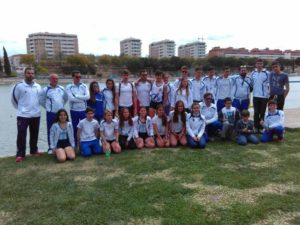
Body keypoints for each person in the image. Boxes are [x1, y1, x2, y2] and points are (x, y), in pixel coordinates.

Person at [11, 67, 43, 162]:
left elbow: (40, 99)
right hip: (23, 115)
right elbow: (14, 99)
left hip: (36, 114)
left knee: (34, 134)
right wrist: (22, 109)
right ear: (24, 74)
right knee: (21, 135)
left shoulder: (38, 86)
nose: (30, 75)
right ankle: (20, 154)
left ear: (34, 75)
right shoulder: (19, 86)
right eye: (28, 73)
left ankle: (33, 151)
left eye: (32, 73)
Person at [40, 73, 68, 154]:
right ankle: (51, 148)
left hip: (61, 114)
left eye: (56, 78)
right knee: (51, 131)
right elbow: (41, 100)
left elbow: (65, 98)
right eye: (53, 78)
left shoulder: (62, 88)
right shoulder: (45, 89)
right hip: (51, 114)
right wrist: (48, 108)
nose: (55, 80)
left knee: (62, 130)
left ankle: (61, 146)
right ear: (50, 79)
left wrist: (61, 106)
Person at [66, 70, 90, 144]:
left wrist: (77, 96)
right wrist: (82, 98)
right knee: (75, 128)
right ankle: (75, 144)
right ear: (73, 77)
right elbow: (71, 99)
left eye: (80, 77)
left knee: (84, 127)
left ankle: (84, 142)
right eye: (77, 77)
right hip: (74, 110)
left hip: (83, 110)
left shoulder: (84, 86)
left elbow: (88, 97)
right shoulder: (69, 87)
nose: (78, 78)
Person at [250, 59, 269, 132]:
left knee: (262, 112)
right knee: (256, 112)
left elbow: (270, 83)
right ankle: (256, 127)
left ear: (262, 64)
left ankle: (261, 127)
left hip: (264, 97)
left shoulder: (267, 73)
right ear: (256, 65)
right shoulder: (252, 73)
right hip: (255, 96)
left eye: (261, 64)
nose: (259, 65)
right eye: (258, 63)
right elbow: (251, 83)